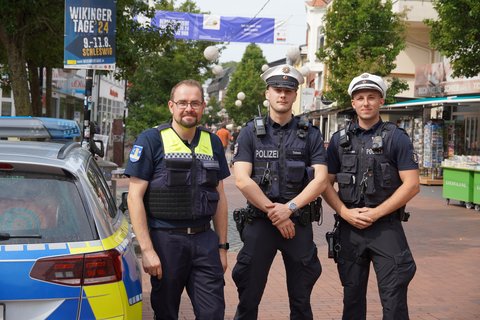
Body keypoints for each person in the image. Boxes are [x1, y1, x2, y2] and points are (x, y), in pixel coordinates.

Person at [125, 79, 230, 320]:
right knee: (166, 313)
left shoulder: (212, 142)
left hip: (205, 241)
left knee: (213, 313)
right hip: (165, 241)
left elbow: (220, 197)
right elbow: (134, 198)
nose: (188, 108)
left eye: (195, 103)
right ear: (171, 106)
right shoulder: (151, 140)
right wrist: (147, 250)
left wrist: (222, 247)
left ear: (203, 107)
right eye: (182, 102)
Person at [231, 64, 328, 319]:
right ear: (267, 93)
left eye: (288, 90)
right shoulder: (251, 132)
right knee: (248, 297)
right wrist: (275, 212)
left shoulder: (311, 135)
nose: (282, 95)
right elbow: (242, 180)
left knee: (301, 300)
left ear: (295, 95)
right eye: (277, 89)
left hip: (298, 224)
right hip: (261, 223)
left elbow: (320, 181)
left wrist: (290, 209)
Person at [321, 73, 420, 320]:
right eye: (360, 98)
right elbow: (324, 184)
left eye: (372, 97)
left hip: (386, 228)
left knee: (394, 297)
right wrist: (344, 212)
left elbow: (412, 185)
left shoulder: (396, 137)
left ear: (381, 101)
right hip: (349, 227)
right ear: (353, 103)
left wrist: (376, 213)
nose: (366, 102)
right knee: (352, 298)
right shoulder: (338, 141)